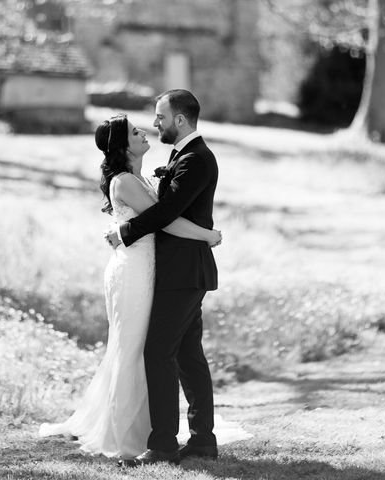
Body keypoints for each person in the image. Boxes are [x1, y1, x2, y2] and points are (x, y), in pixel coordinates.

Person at [38, 114, 222, 459]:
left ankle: (173, 435)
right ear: (123, 146)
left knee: (156, 349)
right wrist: (209, 235)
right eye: (135, 132)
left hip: (155, 271)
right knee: (136, 348)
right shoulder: (125, 182)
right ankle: (134, 434)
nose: (145, 131)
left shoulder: (140, 178)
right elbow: (165, 221)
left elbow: (163, 215)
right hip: (134, 273)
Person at [104, 90, 226, 467]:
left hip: (183, 272)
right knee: (189, 355)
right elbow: (167, 211)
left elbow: (168, 212)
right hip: (178, 271)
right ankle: (202, 440)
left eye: (160, 117)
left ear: (180, 120)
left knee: (158, 352)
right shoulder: (183, 157)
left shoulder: (196, 159)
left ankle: (162, 445)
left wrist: (126, 232)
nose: (155, 124)